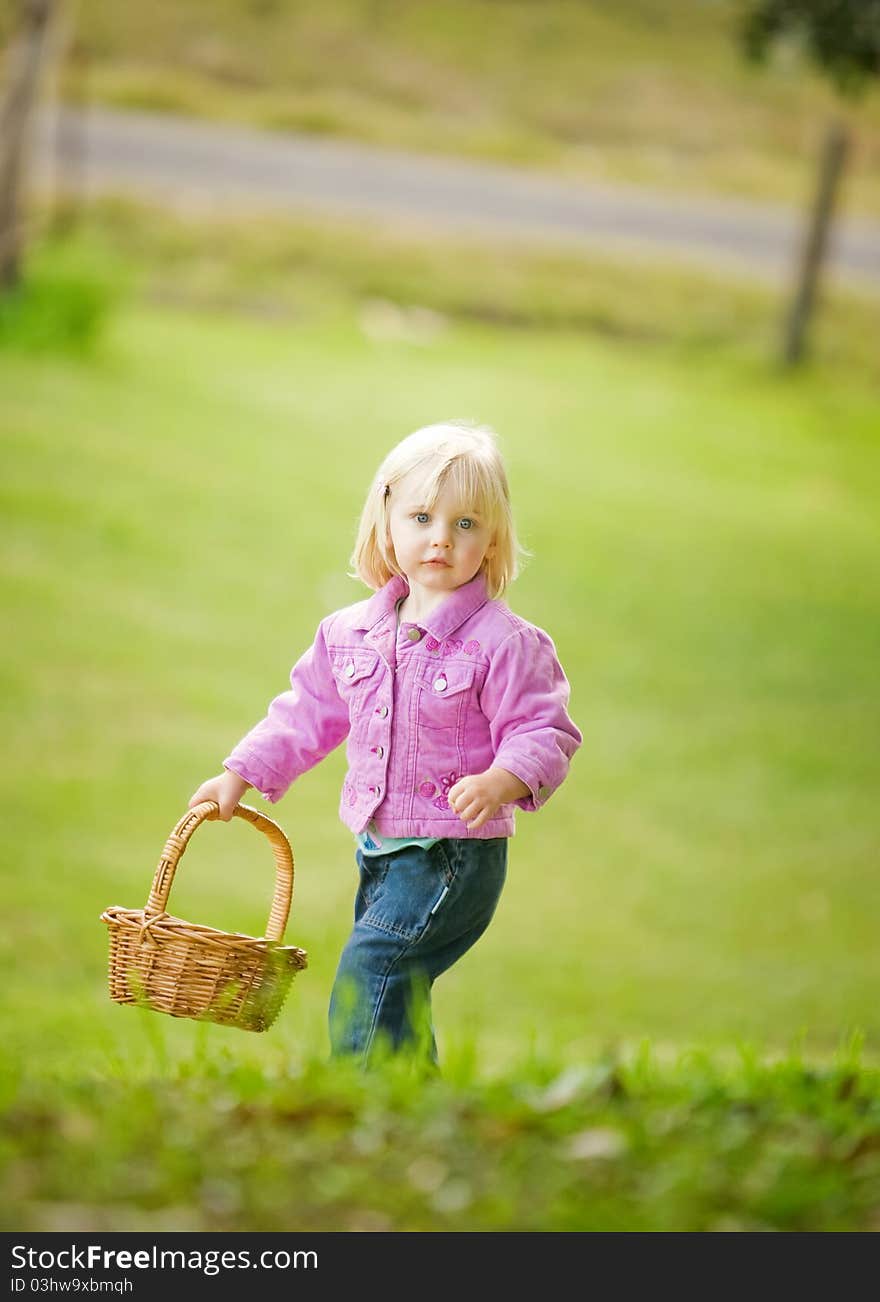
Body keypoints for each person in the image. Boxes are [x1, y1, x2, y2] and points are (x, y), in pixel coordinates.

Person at [188, 420, 582, 1066]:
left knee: (371, 970)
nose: (440, 539)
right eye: (422, 517)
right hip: (381, 852)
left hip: (453, 855)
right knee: (398, 991)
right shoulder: (352, 633)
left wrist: (502, 778)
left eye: (465, 525)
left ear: (492, 538)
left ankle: (356, 1100)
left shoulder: (504, 643)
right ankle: (410, 1106)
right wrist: (242, 772)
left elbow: (546, 730)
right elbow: (307, 711)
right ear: (387, 521)